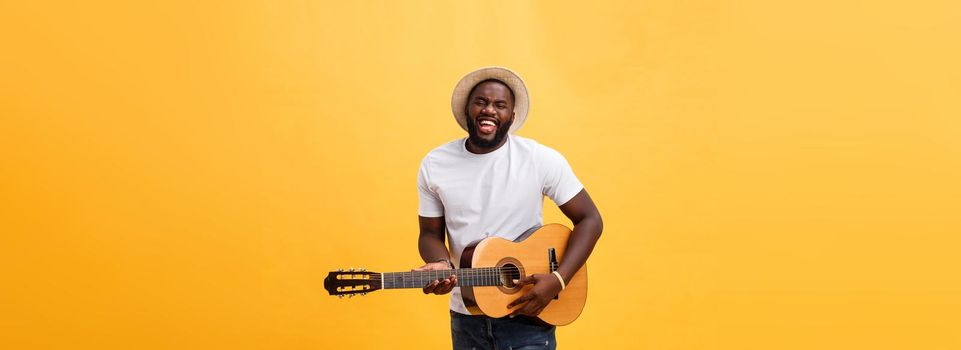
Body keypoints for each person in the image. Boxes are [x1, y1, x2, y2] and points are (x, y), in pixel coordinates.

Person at [414, 66, 603, 350]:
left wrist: (558, 279)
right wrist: (441, 264)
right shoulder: (435, 163)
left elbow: (590, 219)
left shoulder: (539, 158)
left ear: (511, 117)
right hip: (467, 317)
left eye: (500, 105)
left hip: (529, 315)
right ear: (468, 109)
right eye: (481, 102)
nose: (489, 110)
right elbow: (429, 234)